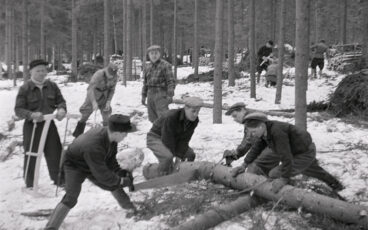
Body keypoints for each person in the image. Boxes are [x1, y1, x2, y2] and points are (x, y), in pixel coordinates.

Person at [45, 114, 136, 229]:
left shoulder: (112, 138)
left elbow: (110, 160)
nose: (126, 136)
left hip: (92, 161)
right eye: (125, 134)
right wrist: (121, 181)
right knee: (71, 197)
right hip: (74, 164)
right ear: (117, 133)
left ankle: (130, 209)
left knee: (113, 182)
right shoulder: (94, 145)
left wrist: (120, 173)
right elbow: (103, 175)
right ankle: (50, 227)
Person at [231, 112, 344, 193]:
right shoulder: (265, 131)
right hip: (297, 151)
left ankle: (290, 191)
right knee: (313, 170)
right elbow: (256, 148)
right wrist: (244, 165)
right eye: (250, 133)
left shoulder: (277, 132)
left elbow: (286, 157)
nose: (251, 135)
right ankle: (337, 186)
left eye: (253, 132)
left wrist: (284, 178)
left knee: (274, 174)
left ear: (261, 126)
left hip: (304, 152)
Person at [15, 59, 66, 188]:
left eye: (44, 70)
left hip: (49, 124)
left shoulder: (52, 86)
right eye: (38, 70)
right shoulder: (25, 88)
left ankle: (60, 180)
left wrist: (61, 109)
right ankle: (30, 183)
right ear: (31, 71)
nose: (42, 73)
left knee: (55, 152)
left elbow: (61, 101)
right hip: (32, 126)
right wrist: (31, 115)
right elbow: (18, 110)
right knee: (31, 153)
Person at [142, 97, 203, 179]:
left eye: (198, 112)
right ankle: (153, 173)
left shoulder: (194, 121)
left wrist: (179, 156)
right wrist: (175, 157)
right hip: (155, 137)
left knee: (190, 155)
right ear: (185, 108)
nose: (195, 114)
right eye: (193, 111)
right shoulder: (171, 117)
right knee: (167, 157)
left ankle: (183, 173)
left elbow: (185, 139)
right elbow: (167, 139)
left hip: (174, 139)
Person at [72, 61, 119, 138]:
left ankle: (106, 136)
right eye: (109, 74)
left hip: (104, 96)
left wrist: (108, 101)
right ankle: (77, 135)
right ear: (106, 70)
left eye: (112, 75)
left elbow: (112, 90)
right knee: (85, 114)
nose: (110, 77)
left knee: (106, 115)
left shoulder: (115, 77)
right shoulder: (98, 74)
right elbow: (90, 89)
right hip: (93, 95)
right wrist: (94, 102)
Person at [222, 103, 274, 167]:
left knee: (254, 169)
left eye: (235, 116)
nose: (235, 120)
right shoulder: (250, 119)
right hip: (269, 148)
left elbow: (249, 141)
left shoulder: (252, 120)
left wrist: (236, 154)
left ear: (242, 110)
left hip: (271, 148)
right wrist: (236, 154)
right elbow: (248, 140)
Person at [141, 45, 176, 123]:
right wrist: (143, 96)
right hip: (150, 94)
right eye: (152, 53)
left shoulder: (165, 65)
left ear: (159, 54)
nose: (154, 55)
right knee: (152, 118)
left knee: (163, 117)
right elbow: (145, 84)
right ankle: (156, 133)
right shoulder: (147, 67)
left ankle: (166, 134)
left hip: (161, 94)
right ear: (149, 55)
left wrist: (170, 95)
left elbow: (171, 81)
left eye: (156, 53)